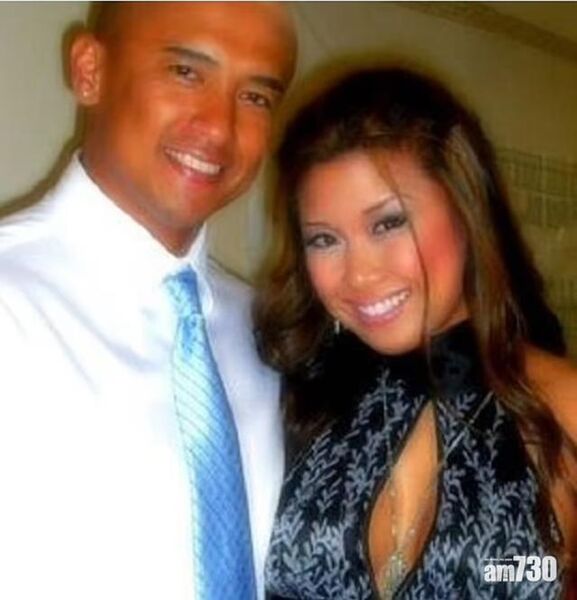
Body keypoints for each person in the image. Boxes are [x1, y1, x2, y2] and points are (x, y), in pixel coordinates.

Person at [0, 2, 296, 599]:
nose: (219, 128)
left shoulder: (268, 332)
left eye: (255, 97)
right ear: (90, 71)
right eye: (186, 72)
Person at [255, 67, 577, 598]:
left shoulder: (563, 408)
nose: (359, 276)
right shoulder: (294, 395)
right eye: (324, 240)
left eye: (388, 223)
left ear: (467, 209)